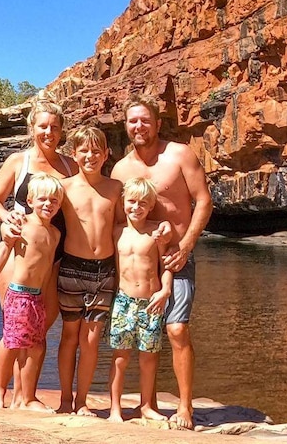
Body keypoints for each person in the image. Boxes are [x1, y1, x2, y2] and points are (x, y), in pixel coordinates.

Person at [110, 95, 213, 430]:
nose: (139, 126)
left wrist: (185, 245)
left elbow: (203, 200)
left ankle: (185, 407)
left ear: (156, 123)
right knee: (142, 337)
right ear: (126, 127)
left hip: (176, 255)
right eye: (132, 121)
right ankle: (148, 404)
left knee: (176, 328)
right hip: (140, 263)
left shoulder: (179, 154)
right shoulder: (121, 169)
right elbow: (112, 219)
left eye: (144, 120)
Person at [0, 95, 77, 406]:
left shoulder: (70, 165)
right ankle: (0, 391)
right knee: (14, 326)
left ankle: (27, 396)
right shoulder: (18, 162)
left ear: (62, 131)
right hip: (18, 253)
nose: (48, 132)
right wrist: (5, 218)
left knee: (40, 326)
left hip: (54, 256)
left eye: (54, 127)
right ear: (31, 128)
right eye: (42, 126)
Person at [0, 174, 64, 411]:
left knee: (36, 346)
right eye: (43, 199)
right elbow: (2, 252)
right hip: (17, 294)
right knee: (11, 342)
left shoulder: (55, 234)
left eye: (54, 201)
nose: (48, 204)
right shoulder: (21, 224)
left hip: (37, 297)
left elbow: (47, 268)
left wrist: (45, 298)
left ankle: (26, 398)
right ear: (29, 200)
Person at [56, 126, 122, 416]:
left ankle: (82, 400)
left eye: (97, 150)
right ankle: (65, 399)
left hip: (104, 271)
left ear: (106, 154)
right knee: (70, 336)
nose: (90, 155)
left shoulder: (115, 188)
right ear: (74, 154)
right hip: (72, 267)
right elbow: (41, 215)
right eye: (84, 150)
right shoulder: (64, 187)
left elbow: (123, 226)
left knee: (92, 339)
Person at [108, 177, 172, 423]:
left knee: (148, 357)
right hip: (123, 302)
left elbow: (165, 263)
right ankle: (115, 408)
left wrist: (165, 289)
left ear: (151, 205)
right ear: (123, 202)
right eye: (132, 202)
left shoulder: (156, 233)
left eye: (143, 203)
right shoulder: (116, 232)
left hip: (151, 303)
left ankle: (146, 405)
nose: (136, 207)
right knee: (121, 357)